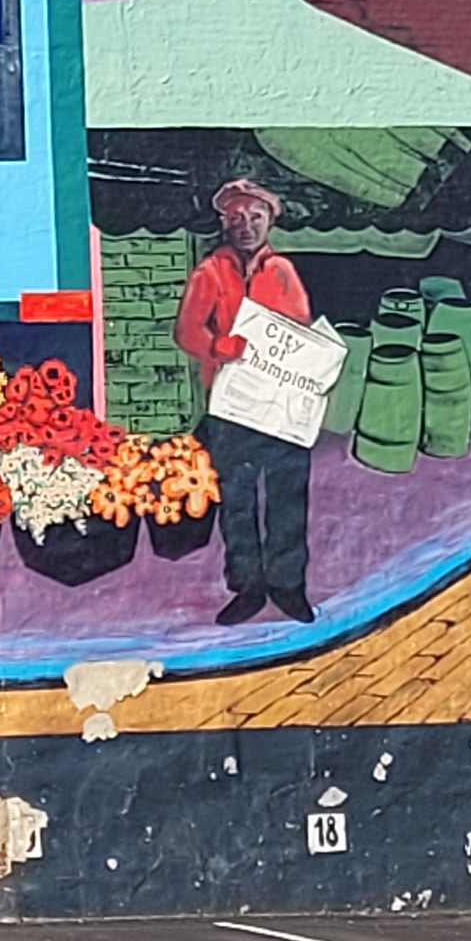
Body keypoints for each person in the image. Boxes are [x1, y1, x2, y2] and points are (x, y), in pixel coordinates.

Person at [174, 178, 316, 626]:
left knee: (288, 496)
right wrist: (221, 346)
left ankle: (288, 586)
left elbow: (301, 328)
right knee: (236, 500)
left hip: (280, 404)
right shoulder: (209, 272)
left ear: (270, 221)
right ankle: (248, 587)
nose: (246, 225)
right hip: (231, 408)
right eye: (237, 217)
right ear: (224, 222)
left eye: (255, 216)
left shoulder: (283, 271)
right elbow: (187, 331)